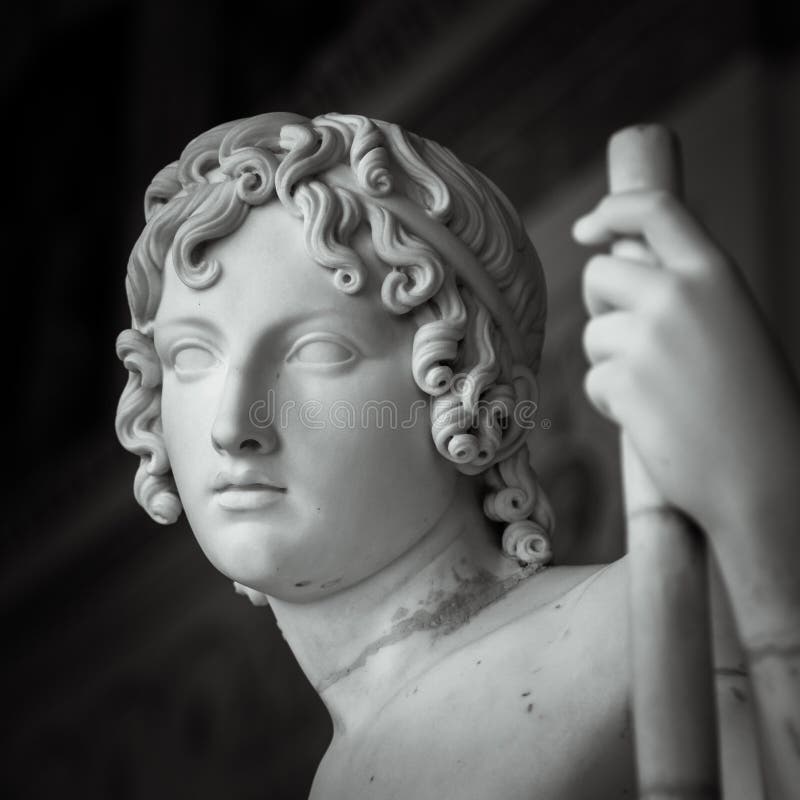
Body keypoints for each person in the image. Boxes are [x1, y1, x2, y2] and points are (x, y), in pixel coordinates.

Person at [115, 112, 799, 799]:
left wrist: (765, 497)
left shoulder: (644, 625)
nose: (235, 427)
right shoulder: (337, 779)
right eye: (192, 357)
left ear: (470, 388)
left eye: (318, 351)